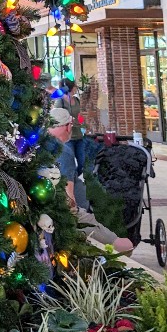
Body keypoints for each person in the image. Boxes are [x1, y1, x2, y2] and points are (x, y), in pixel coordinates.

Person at [45, 107, 133, 254]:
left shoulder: (39, 145)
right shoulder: (63, 151)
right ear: (68, 127)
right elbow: (69, 201)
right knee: (126, 246)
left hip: (48, 215)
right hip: (68, 218)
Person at [54, 81, 85, 175]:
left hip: (79, 135)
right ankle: (70, 182)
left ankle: (76, 178)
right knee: (68, 162)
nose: (77, 88)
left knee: (82, 162)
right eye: (75, 86)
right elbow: (56, 117)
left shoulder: (76, 100)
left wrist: (82, 121)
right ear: (70, 88)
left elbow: (79, 115)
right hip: (68, 138)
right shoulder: (60, 101)